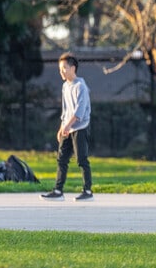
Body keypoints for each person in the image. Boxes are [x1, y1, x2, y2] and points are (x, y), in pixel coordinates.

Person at [40, 52, 94, 202]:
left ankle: (87, 191)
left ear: (73, 68)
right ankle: (58, 191)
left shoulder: (80, 86)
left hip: (80, 128)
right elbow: (65, 110)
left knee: (81, 159)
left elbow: (79, 112)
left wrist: (68, 125)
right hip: (67, 128)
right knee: (61, 159)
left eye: (64, 68)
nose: (61, 71)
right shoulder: (65, 86)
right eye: (60, 69)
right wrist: (62, 127)